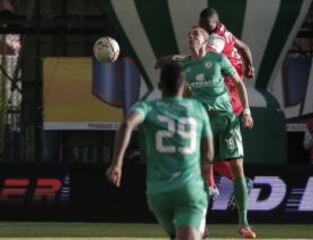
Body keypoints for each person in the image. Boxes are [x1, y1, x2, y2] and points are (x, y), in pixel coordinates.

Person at [156, 26, 256, 238]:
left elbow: (239, 83)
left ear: (204, 40)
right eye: (189, 35)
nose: (191, 37)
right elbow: (183, 95)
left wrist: (246, 111)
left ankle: (244, 223)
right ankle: (201, 226)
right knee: (201, 176)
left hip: (226, 120)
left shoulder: (218, 60)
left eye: (195, 35)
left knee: (238, 169)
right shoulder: (185, 66)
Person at [106, 62, 214, 240]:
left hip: (158, 194)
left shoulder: (148, 107)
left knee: (177, 235)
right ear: (184, 86)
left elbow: (127, 124)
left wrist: (117, 164)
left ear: (159, 86)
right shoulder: (197, 109)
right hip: (189, 189)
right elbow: (209, 153)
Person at [199, 7, 255, 195]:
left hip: (228, 98)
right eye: (201, 27)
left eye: (206, 27)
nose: (203, 30)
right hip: (232, 97)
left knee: (205, 141)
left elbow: (201, 59)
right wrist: (249, 67)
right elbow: (245, 48)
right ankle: (230, 182)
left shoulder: (217, 39)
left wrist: (175, 59)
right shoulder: (226, 32)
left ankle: (211, 186)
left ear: (215, 24)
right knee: (214, 150)